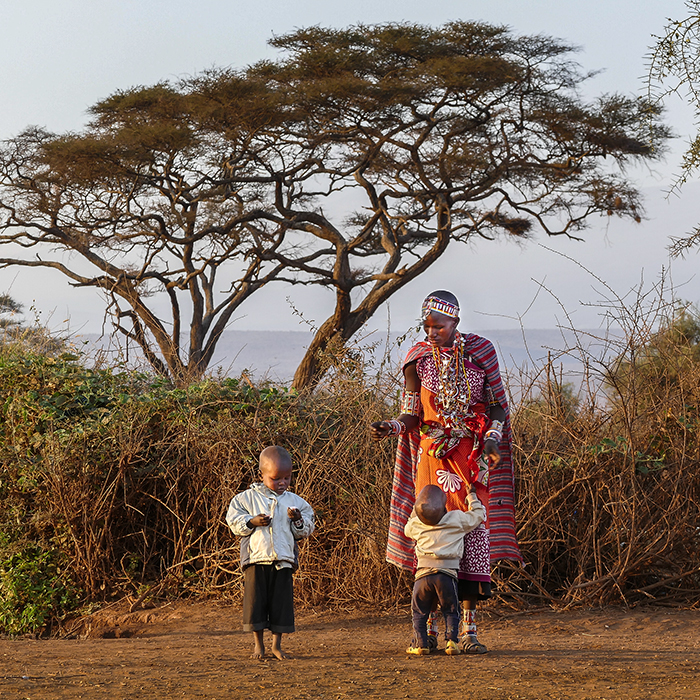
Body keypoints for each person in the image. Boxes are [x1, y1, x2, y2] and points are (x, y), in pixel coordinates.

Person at [371, 290, 521, 653]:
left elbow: (498, 406)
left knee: (472, 535)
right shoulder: (417, 361)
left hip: (472, 458)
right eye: (427, 326)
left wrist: (492, 440)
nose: (432, 332)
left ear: (455, 321)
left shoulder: (481, 353)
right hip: (432, 460)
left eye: (439, 325)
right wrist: (391, 426)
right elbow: (410, 414)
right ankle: (429, 631)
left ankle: (468, 632)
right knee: (431, 537)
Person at [226, 445, 314, 660]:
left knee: (281, 605)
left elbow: (306, 529)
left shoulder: (296, 502)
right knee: (256, 604)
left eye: (287, 477)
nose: (282, 483)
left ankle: (276, 645)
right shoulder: (245, 499)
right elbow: (233, 522)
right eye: (276, 478)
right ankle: (258, 645)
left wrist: (298, 521)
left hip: (283, 560)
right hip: (256, 559)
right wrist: (252, 521)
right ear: (261, 475)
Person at [404, 484, 486, 655]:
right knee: (450, 610)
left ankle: (421, 644)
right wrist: (472, 498)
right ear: (444, 507)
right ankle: (451, 643)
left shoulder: (417, 524)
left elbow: (407, 528)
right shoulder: (456, 519)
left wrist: (416, 510)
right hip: (446, 576)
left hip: (422, 577)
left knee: (419, 611)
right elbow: (478, 516)